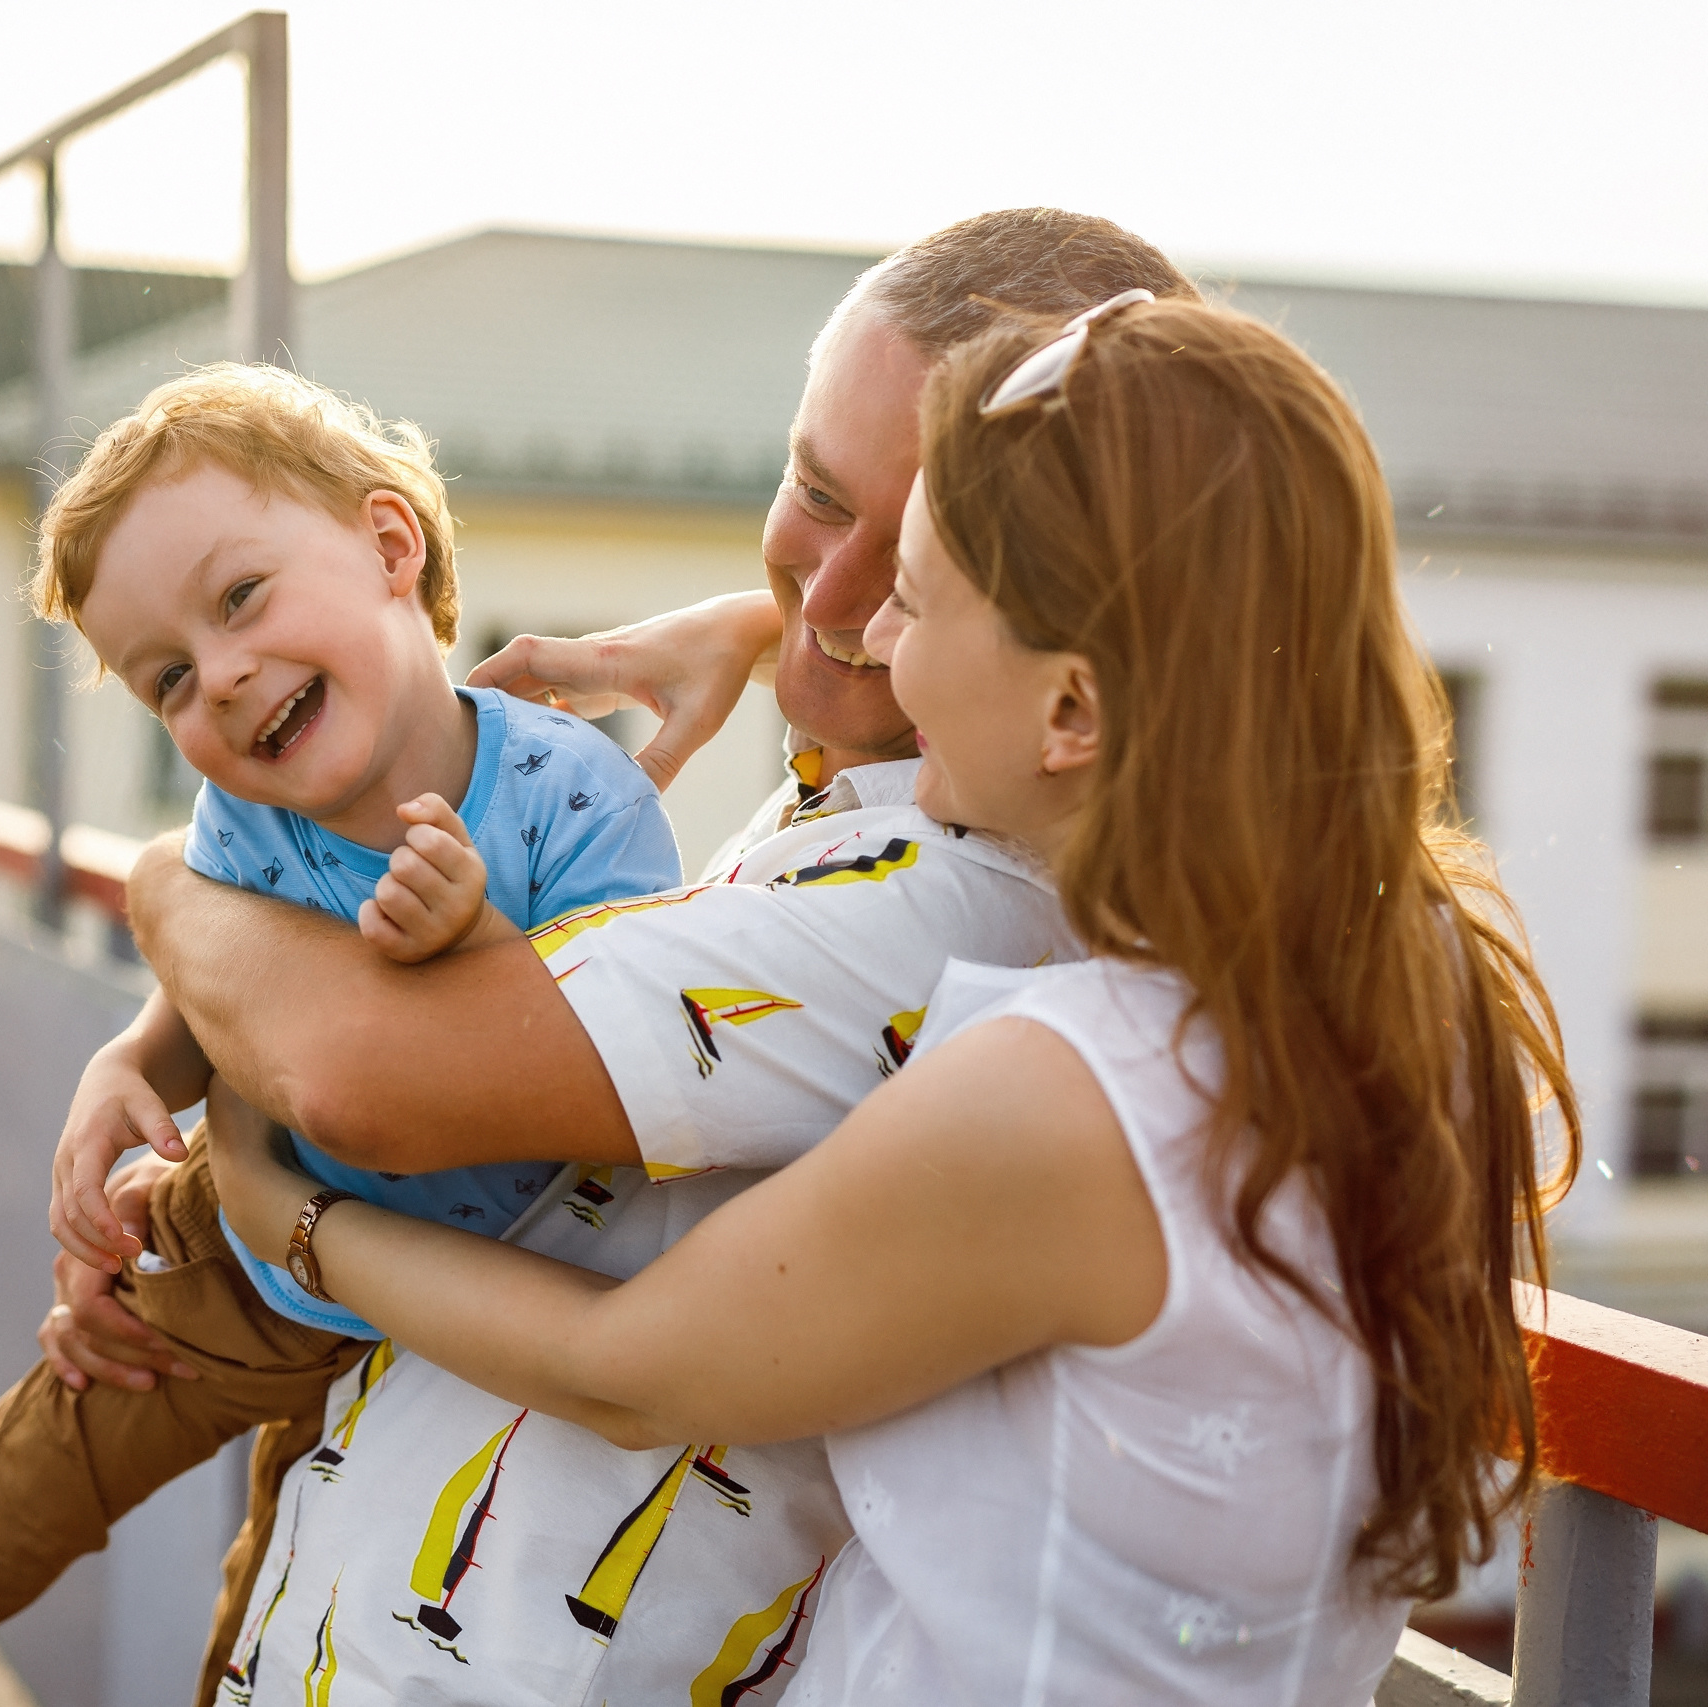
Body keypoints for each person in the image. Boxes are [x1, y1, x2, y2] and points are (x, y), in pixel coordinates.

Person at [203, 293, 1577, 1703]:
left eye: (913, 601)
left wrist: (288, 1219)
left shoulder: (1068, 1097)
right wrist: (766, 627)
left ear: (1074, 715)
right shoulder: (1370, 994)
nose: (878, 646)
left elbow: (626, 1371)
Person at [64, 210, 1205, 1704]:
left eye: (930, 560)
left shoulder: (960, 904)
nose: (850, 590)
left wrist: (166, 887)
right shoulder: (890, 797)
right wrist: (775, 623)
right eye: (812, 494)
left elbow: (359, 1076)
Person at [0, 364, 684, 1705]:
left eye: (242, 598)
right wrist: (130, 1063)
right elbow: (214, 983)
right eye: (169, 678)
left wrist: (477, 947)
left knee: (275, 1637)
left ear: (387, 544)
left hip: (465, 1329)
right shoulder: (237, 826)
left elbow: (614, 1071)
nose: (225, 680)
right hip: (239, 1276)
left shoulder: (572, 801)